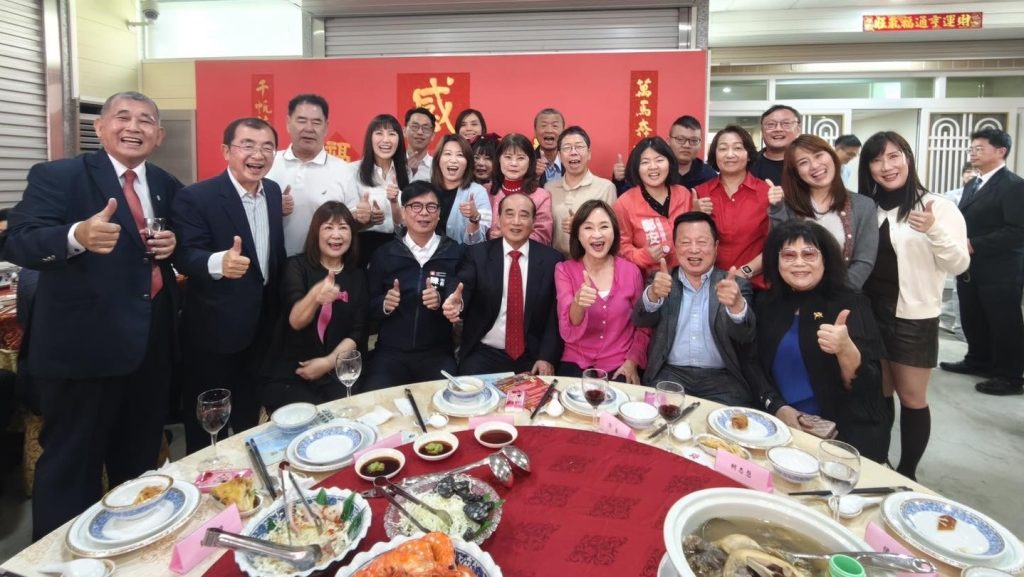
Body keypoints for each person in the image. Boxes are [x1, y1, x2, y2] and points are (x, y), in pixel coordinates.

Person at [5, 91, 182, 539]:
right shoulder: (60, 176)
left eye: (145, 120)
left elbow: (166, 249)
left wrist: (173, 246)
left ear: (159, 135)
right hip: (83, 351)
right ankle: (59, 562)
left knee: (138, 468)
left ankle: (127, 549)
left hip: (148, 351)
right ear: (100, 127)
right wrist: (75, 235)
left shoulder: (165, 184)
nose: (134, 127)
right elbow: (18, 240)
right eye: (123, 117)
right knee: (71, 469)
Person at [173, 117, 287, 453]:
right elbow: (184, 255)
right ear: (226, 151)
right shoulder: (197, 197)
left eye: (267, 147)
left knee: (249, 413)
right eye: (247, 145)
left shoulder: (273, 192)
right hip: (214, 331)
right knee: (208, 424)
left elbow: (272, 254)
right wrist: (218, 262)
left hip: (262, 327)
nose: (258, 155)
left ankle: (248, 471)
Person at [859, 131, 969, 478]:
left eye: (894, 156)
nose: (886, 166)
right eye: (877, 159)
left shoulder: (937, 206)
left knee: (911, 397)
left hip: (912, 316)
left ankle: (907, 473)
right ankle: (880, 460)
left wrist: (934, 229)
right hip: (870, 311)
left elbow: (959, 264)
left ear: (908, 157)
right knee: (879, 391)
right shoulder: (868, 207)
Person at [753, 220, 889, 463]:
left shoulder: (851, 303)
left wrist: (845, 349)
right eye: (789, 255)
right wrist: (778, 407)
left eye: (809, 254)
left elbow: (868, 389)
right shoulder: (766, 303)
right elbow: (752, 364)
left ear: (825, 259)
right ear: (776, 261)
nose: (799, 263)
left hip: (836, 434)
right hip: (776, 422)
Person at [632, 212, 756, 406]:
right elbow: (640, 320)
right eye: (685, 242)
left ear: (715, 247)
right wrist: (653, 295)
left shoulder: (734, 286)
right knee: (657, 417)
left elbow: (746, 336)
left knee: (730, 421)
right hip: (670, 373)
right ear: (675, 247)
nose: (694, 249)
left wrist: (736, 306)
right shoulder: (662, 280)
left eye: (702, 242)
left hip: (722, 379)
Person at [261, 202, 367, 412]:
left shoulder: (358, 276)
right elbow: (295, 321)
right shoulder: (296, 266)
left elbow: (358, 331)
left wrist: (328, 363)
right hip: (295, 370)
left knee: (346, 415)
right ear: (315, 233)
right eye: (328, 227)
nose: (336, 235)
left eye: (343, 228)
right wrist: (315, 296)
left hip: (338, 368)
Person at [942, 128, 1024, 397]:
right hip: (971, 265)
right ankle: (978, 359)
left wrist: (974, 243)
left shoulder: (1014, 186)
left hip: (1001, 268)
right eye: (971, 149)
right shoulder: (973, 184)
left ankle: (1009, 376)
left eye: (979, 149)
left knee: (1003, 321)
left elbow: (1017, 231)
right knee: (973, 314)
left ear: (1001, 151)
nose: (973, 153)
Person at [443, 193, 563, 376]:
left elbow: (554, 316)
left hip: (532, 356)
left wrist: (546, 357)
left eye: (524, 215)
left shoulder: (551, 260)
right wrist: (456, 302)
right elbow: (462, 287)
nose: (516, 221)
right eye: (509, 214)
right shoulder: (478, 254)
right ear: (498, 220)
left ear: (533, 222)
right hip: (484, 353)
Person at [364, 181, 465, 389]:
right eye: (416, 206)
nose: (424, 213)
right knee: (375, 400)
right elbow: (368, 306)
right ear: (403, 212)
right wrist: (384, 304)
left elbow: (457, 295)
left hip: (437, 353)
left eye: (431, 207)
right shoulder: (384, 254)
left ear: (439, 214)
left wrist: (442, 300)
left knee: (449, 398)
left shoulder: (455, 253)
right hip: (390, 352)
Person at [555, 200, 648, 382]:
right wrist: (578, 303)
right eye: (588, 228)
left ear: (614, 232)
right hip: (575, 361)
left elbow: (643, 325)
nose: (597, 234)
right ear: (577, 234)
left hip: (619, 363)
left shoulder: (631, 271)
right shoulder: (564, 270)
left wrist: (632, 361)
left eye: (604, 227)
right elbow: (567, 329)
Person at [773, 134, 878, 289]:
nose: (815, 165)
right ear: (796, 172)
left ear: (831, 155)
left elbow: (864, 261)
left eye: (818, 155)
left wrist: (834, 294)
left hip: (844, 295)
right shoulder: (787, 206)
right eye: (803, 162)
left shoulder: (863, 205)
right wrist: (776, 208)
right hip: (796, 295)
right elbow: (779, 252)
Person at [266, 94, 365, 257]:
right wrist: (272, 207)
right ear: (288, 123)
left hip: (322, 264)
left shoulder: (343, 169)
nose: (309, 128)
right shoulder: (268, 163)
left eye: (316, 122)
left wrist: (366, 217)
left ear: (326, 127)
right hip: (272, 261)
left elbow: (351, 221)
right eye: (301, 121)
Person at [695, 125, 772, 290]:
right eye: (723, 148)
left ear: (749, 154)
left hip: (755, 285)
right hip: (708, 285)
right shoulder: (700, 193)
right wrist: (694, 214)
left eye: (737, 148)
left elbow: (777, 243)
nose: (730, 154)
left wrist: (744, 272)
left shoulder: (767, 193)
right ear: (715, 155)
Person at [613, 136, 693, 277]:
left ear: (669, 163)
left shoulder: (684, 194)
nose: (653, 167)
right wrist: (643, 255)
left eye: (659, 160)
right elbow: (620, 246)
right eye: (645, 162)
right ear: (636, 168)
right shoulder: (624, 203)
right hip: (649, 278)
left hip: (689, 273)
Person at [345, 114, 410, 267]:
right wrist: (362, 216)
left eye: (392, 134)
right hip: (362, 247)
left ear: (399, 139)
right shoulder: (351, 171)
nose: (386, 140)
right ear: (370, 138)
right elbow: (344, 218)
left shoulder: (406, 172)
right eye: (379, 133)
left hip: (398, 247)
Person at [547, 127, 616, 256]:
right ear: (560, 156)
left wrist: (580, 225)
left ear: (589, 153)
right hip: (556, 261)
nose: (573, 152)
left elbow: (612, 232)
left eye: (579, 147)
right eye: (567, 148)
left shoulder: (606, 188)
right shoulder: (549, 188)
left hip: (592, 259)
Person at [614, 115, 718, 196]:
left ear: (700, 143)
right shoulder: (654, 169)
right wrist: (619, 180)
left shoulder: (708, 174)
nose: (687, 145)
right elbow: (626, 198)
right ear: (668, 141)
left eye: (694, 141)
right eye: (680, 139)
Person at [487, 133, 553, 245]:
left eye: (520, 158)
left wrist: (509, 238)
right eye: (508, 157)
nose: (514, 163)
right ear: (498, 159)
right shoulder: (486, 191)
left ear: (530, 162)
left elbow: (543, 237)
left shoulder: (541, 196)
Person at [430, 134, 491, 244]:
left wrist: (474, 218)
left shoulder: (478, 192)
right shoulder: (426, 189)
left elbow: (478, 242)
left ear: (468, 162)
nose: (453, 160)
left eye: (460, 155)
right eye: (447, 154)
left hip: (463, 254)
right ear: (438, 159)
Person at [750, 104, 801, 185]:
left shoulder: (809, 163)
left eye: (786, 124)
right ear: (762, 131)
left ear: (798, 129)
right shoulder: (749, 165)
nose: (778, 129)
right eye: (771, 124)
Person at [534, 108, 565, 187]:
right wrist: (534, 177)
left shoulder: (571, 160)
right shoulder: (527, 161)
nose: (549, 130)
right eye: (543, 126)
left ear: (563, 131)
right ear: (535, 130)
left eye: (555, 126)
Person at [405, 107, 436, 182]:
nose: (420, 132)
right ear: (404, 131)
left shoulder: (437, 168)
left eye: (425, 128)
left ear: (432, 136)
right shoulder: (393, 164)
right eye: (415, 127)